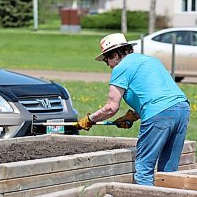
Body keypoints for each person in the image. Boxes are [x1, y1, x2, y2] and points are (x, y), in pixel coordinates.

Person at [76, 33, 190, 186]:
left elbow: (110, 108)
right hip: (182, 108)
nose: (108, 65)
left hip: (159, 113)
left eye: (107, 60)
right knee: (169, 168)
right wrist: (133, 116)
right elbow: (157, 94)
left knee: (144, 167)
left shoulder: (121, 67)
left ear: (115, 55)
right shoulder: (149, 60)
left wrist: (90, 120)